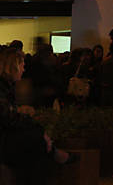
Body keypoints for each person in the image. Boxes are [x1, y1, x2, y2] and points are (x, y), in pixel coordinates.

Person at [0, 47, 74, 184]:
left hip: (6, 136)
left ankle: (51, 151)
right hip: (4, 140)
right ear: (13, 67)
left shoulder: (7, 87)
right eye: (22, 65)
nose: (24, 70)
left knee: (37, 138)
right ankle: (53, 152)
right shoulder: (3, 87)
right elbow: (7, 118)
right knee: (37, 140)